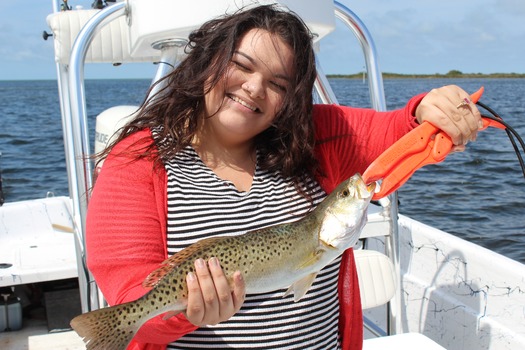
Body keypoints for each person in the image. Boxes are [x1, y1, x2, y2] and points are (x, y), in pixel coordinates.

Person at [86, 4, 482, 350]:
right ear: (208, 61)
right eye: (241, 66)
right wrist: (185, 312)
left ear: (291, 99)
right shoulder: (138, 161)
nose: (254, 88)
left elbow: (398, 132)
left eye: (278, 84)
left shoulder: (314, 138)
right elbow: (129, 290)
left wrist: (428, 111)